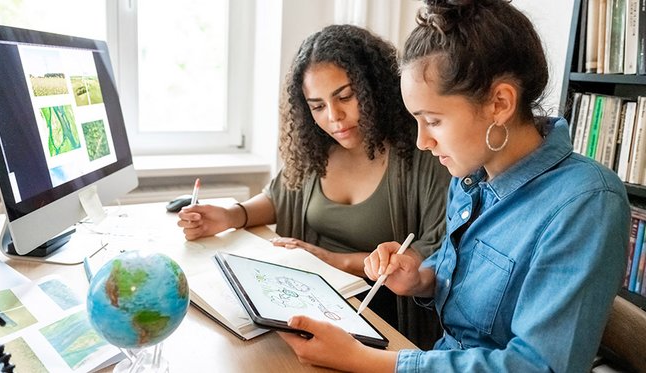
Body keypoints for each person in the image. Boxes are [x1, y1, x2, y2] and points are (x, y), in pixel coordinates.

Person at [278, 1, 631, 372]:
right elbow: (455, 278)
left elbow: (536, 366)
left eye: (432, 120)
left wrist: (364, 360)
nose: (421, 142)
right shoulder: (469, 178)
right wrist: (418, 277)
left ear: (500, 103)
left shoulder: (586, 203)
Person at [177, 24, 451, 348]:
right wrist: (229, 216)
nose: (334, 117)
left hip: (382, 320)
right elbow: (281, 196)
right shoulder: (318, 148)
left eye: (345, 97)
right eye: (318, 106)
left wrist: (326, 259)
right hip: (314, 301)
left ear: (374, 87)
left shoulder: (423, 153)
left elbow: (433, 258)